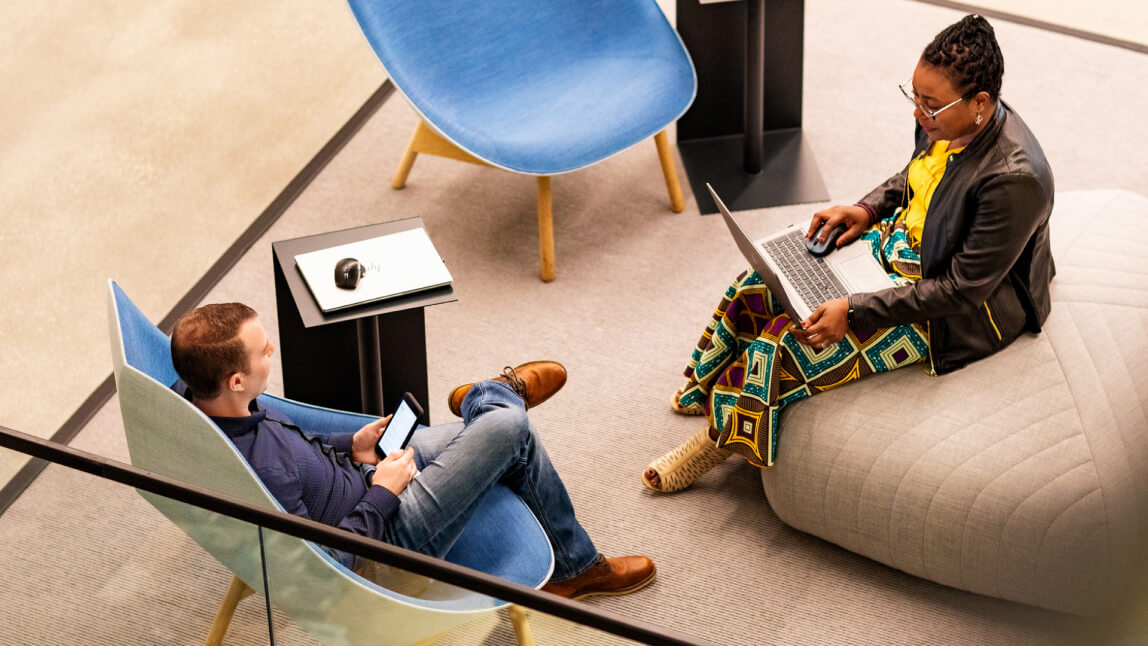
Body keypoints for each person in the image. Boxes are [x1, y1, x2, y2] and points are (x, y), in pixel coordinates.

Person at [643, 14, 1054, 492]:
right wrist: (866, 210)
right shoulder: (946, 120)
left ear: (980, 104)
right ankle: (706, 386)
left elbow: (962, 290)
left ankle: (715, 444)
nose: (918, 114)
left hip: (953, 308)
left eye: (930, 105)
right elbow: (917, 178)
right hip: (905, 244)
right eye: (914, 97)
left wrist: (855, 310)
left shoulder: (1013, 178)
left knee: (790, 339)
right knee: (759, 281)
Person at [169, 302, 656, 599]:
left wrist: (350, 446)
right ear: (235, 378)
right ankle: (491, 398)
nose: (272, 351)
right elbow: (328, 566)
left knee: (507, 435)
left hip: (366, 477)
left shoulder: (209, 401)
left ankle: (489, 402)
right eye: (264, 351)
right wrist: (382, 492)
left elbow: (298, 448)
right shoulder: (261, 467)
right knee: (509, 428)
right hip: (386, 543)